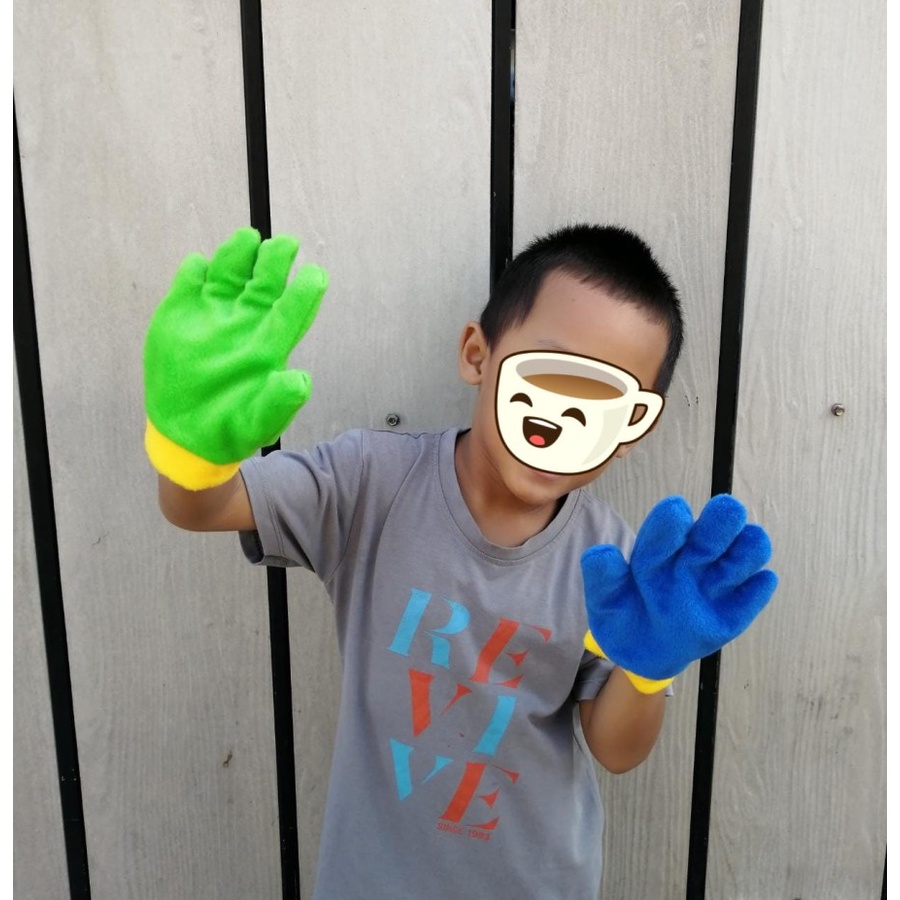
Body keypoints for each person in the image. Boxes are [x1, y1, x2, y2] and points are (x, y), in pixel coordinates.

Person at [144, 224, 775, 899]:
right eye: (550, 374)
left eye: (603, 402)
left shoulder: (616, 568)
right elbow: (202, 508)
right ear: (478, 355)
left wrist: (651, 667)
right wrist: (190, 446)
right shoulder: (370, 484)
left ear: (634, 427)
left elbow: (617, 751)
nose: (563, 418)